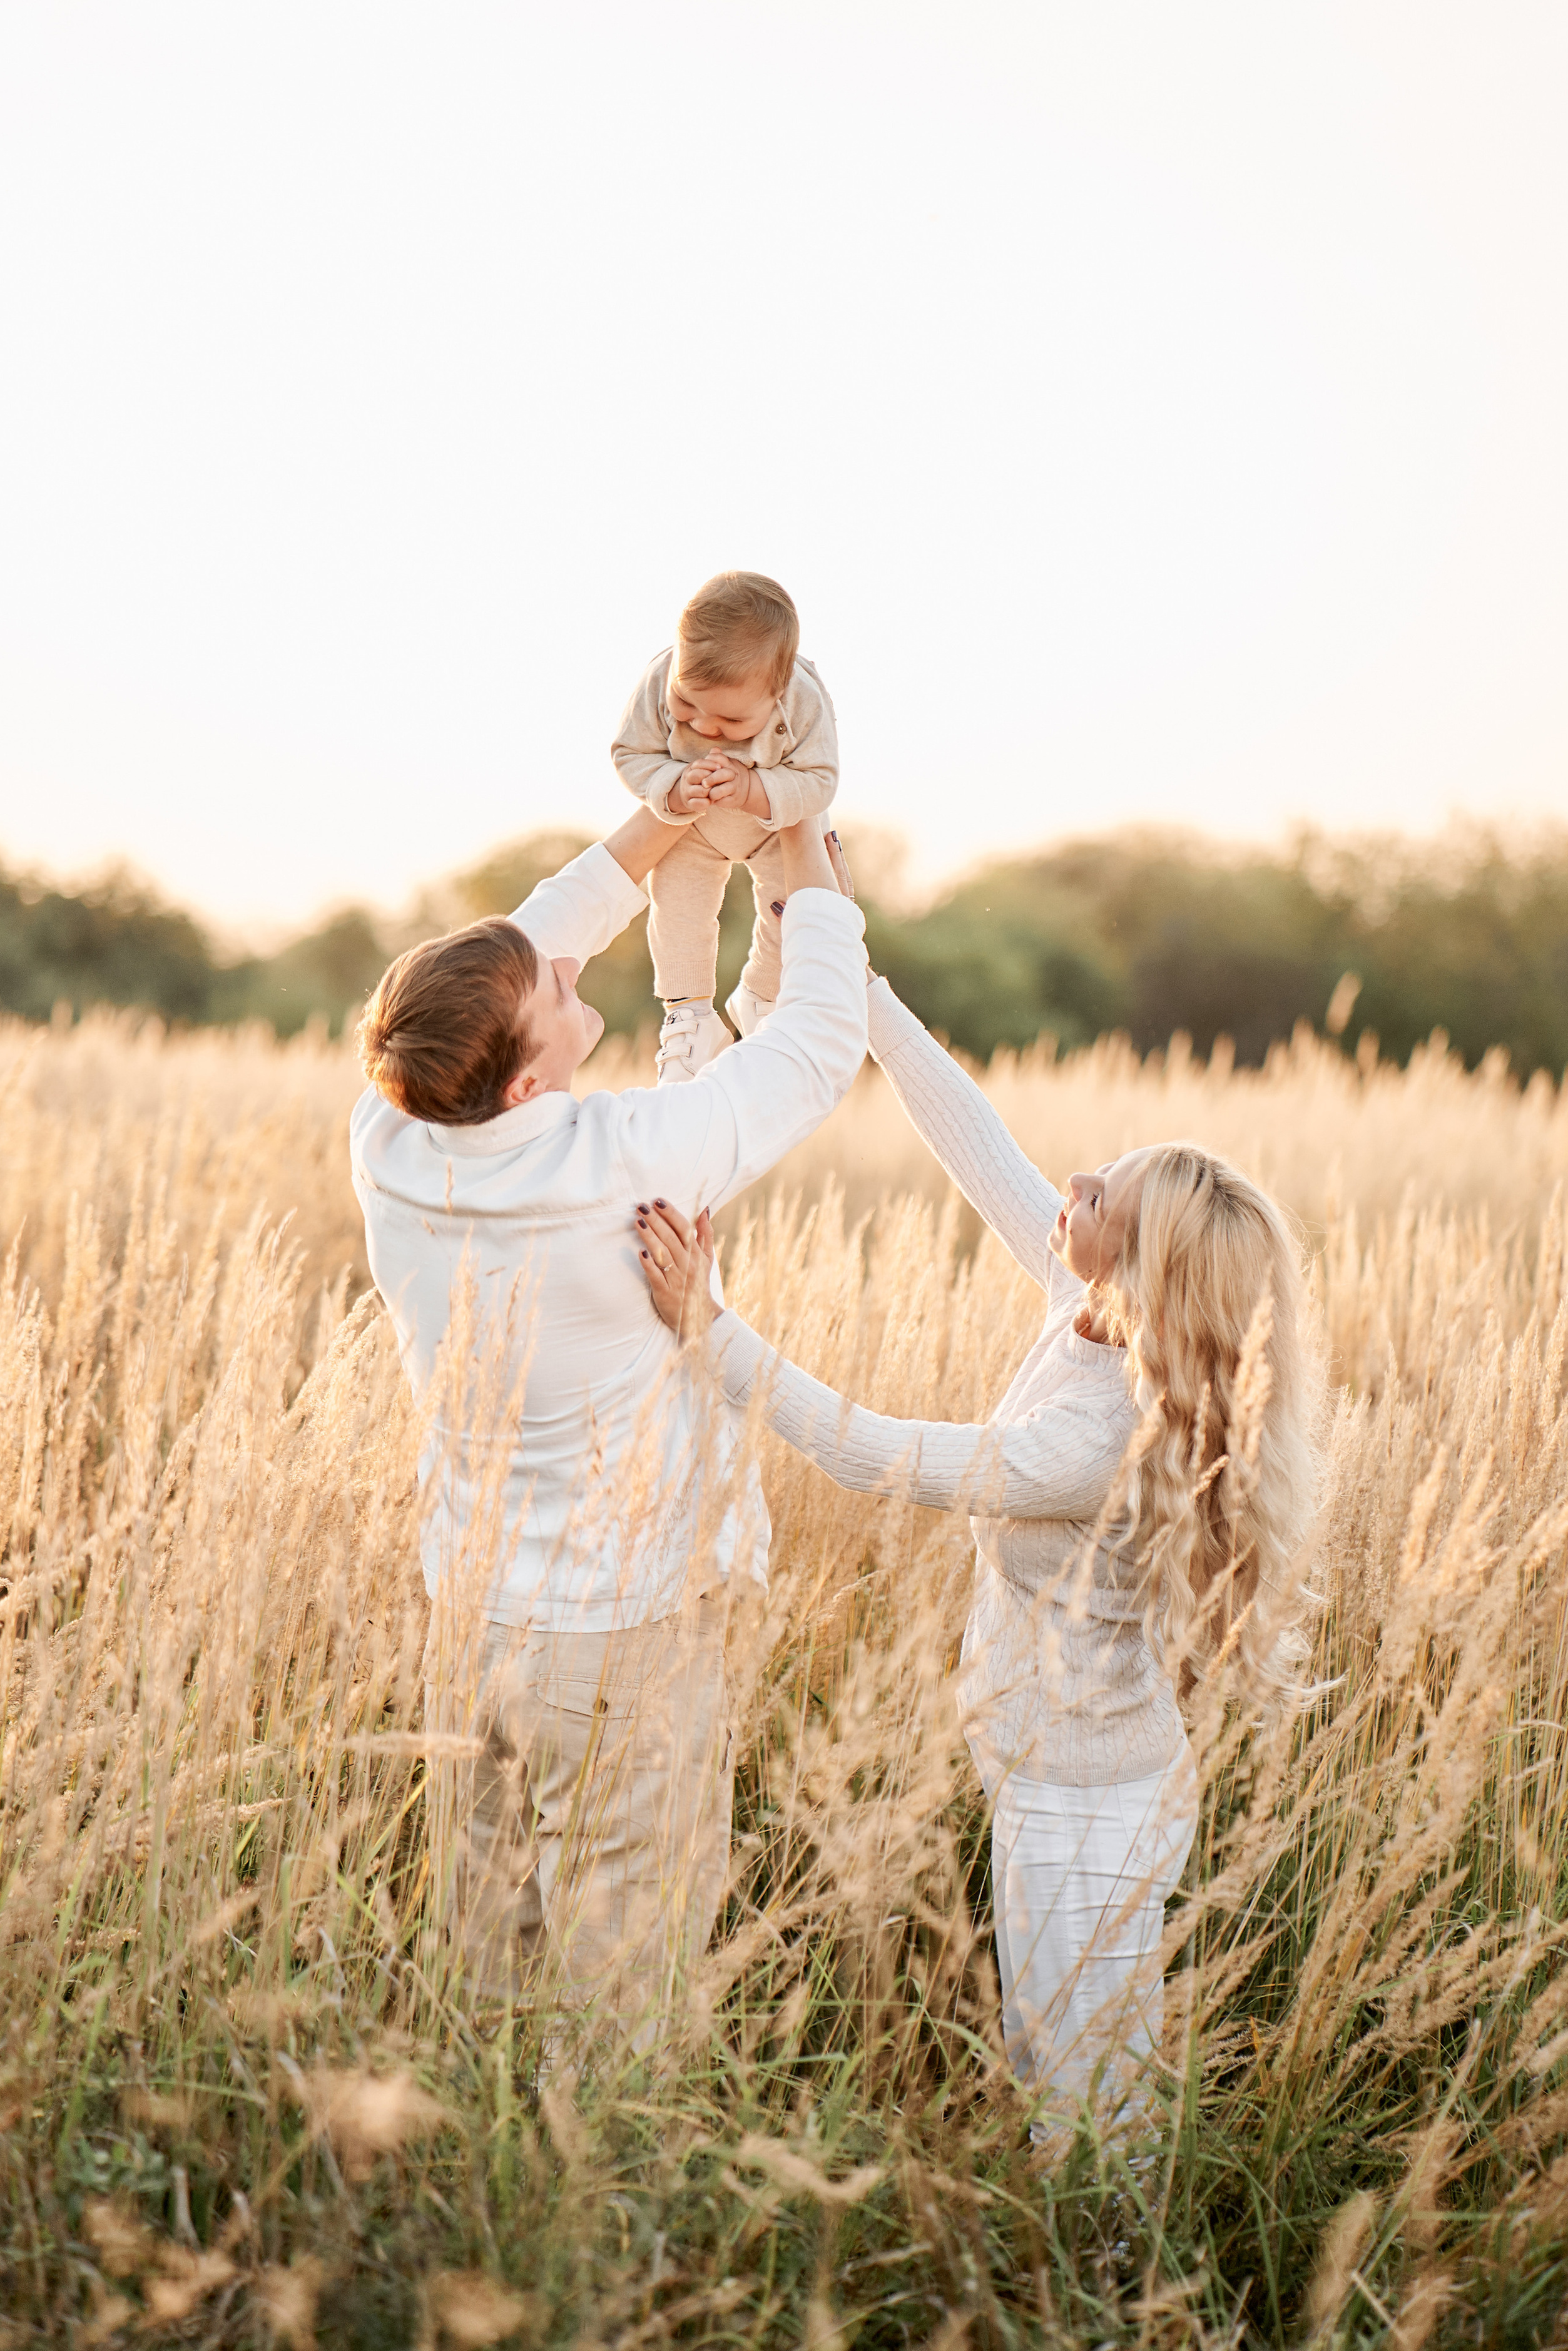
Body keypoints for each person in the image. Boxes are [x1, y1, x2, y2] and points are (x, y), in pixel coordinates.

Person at [631, 968, 1319, 2129]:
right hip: (1056, 1773)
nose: (1078, 1182)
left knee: (1086, 2095)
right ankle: (1101, 2280)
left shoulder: (1099, 1438)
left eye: (1109, 1195)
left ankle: (1113, 2300)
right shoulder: (1095, 1313)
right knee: (1069, 2063)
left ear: (1140, 1263)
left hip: (1083, 1802)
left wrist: (712, 1328)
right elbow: (971, 1132)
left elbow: (881, 1456)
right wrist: (852, 977)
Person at [350, 805, 866, 2043]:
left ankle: (476, 2167)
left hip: (469, 1608)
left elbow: (509, 960)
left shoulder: (391, 1133)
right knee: (622, 1944)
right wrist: (800, 849)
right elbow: (816, 1042)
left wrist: (660, 825)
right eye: (554, 997)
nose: (568, 970)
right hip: (617, 1628)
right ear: (528, 1082)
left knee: (485, 1924)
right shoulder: (624, 1154)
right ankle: (598, 2208)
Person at [612, 570, 840, 1082]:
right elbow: (630, 753)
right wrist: (671, 785)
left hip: (772, 825)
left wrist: (754, 790)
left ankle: (762, 995)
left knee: (793, 909)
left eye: (732, 723)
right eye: (686, 706)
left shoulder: (803, 700)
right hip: (690, 825)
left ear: (777, 693)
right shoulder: (659, 680)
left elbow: (820, 780)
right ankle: (690, 1015)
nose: (706, 727)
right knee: (678, 913)